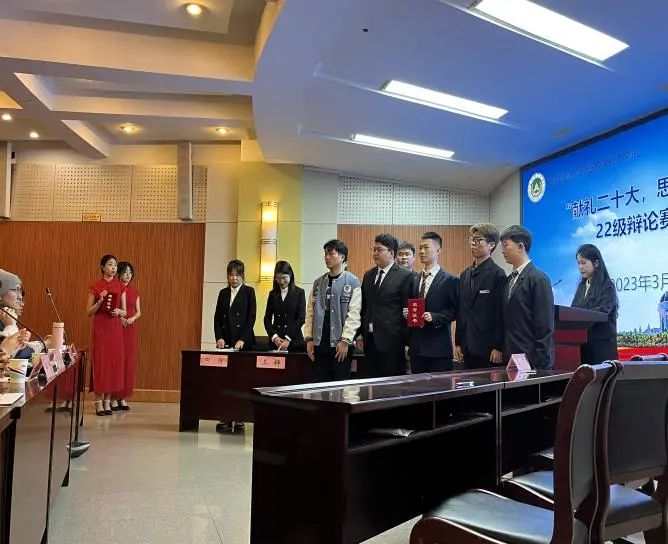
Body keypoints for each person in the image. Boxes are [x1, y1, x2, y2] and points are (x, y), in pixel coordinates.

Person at [304, 239, 361, 382]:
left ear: (342, 257)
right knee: (318, 383)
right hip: (320, 342)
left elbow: (354, 314)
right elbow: (310, 312)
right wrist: (309, 338)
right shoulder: (318, 283)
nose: (327, 257)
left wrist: (345, 340)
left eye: (331, 254)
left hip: (341, 344)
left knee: (340, 384)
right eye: (325, 254)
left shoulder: (352, 282)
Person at [500, 225, 554, 370]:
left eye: (506, 245)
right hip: (510, 359)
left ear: (520, 246)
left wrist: (539, 364)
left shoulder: (538, 279)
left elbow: (544, 327)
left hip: (531, 361)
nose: (502, 251)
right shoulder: (508, 280)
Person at [358, 233, 412, 377]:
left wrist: (408, 343)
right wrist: (359, 334)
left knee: (391, 385)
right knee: (370, 383)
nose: (375, 253)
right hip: (369, 341)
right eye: (374, 249)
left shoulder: (405, 276)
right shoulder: (368, 275)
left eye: (379, 250)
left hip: (393, 343)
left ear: (391, 253)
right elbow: (364, 307)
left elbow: (406, 312)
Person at [406, 232, 459, 373]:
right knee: (417, 385)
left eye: (426, 247)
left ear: (438, 250)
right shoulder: (415, 279)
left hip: (438, 349)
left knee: (439, 386)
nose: (422, 251)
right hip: (416, 349)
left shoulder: (450, 280)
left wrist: (435, 317)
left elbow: (455, 311)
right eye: (420, 248)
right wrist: (408, 313)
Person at [455, 224, 507, 369]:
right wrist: (458, 342)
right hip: (466, 345)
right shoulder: (465, 274)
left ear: (491, 245)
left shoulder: (498, 274)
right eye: (472, 240)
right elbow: (461, 310)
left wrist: (498, 346)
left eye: (478, 240)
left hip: (488, 347)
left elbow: (500, 314)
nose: (473, 244)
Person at [213, 259, 256, 433]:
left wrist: (243, 339)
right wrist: (219, 337)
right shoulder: (223, 293)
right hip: (226, 344)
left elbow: (251, 318)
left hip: (243, 345)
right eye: (231, 275)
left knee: (241, 381)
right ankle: (225, 416)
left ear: (242, 276)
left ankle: (240, 418)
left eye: (237, 275)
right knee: (225, 381)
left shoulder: (249, 292)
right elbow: (217, 318)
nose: (234, 278)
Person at [87, 255, 127, 416]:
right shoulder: (95, 286)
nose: (114, 268)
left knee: (112, 363)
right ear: (103, 267)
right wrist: (99, 302)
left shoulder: (120, 286)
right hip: (101, 328)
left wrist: (119, 311)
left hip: (114, 329)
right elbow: (88, 312)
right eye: (110, 264)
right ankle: (98, 402)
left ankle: (107, 401)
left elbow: (125, 311)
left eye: (115, 265)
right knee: (101, 362)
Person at [571, 244, 618, 363]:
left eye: (583, 263)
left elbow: (602, 312)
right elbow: (573, 310)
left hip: (602, 349)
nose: (580, 267)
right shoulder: (581, 286)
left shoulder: (607, 286)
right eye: (578, 263)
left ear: (596, 263)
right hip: (583, 347)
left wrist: (580, 318)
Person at [113, 261, 141, 411]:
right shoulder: (115, 289)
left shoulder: (134, 292)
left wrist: (132, 318)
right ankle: (113, 397)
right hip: (116, 329)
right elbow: (111, 309)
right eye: (125, 272)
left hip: (130, 330)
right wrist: (120, 319)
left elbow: (139, 311)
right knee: (117, 362)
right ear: (119, 274)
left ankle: (122, 397)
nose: (128, 275)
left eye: (130, 272)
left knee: (128, 362)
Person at [263, 261, 306, 352]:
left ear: (290, 276)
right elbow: (267, 319)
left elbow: (301, 318)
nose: (281, 282)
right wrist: (274, 337)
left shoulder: (299, 292)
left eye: (284, 278)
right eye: (278, 278)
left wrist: (288, 338)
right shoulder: (272, 294)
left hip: (294, 341)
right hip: (276, 342)